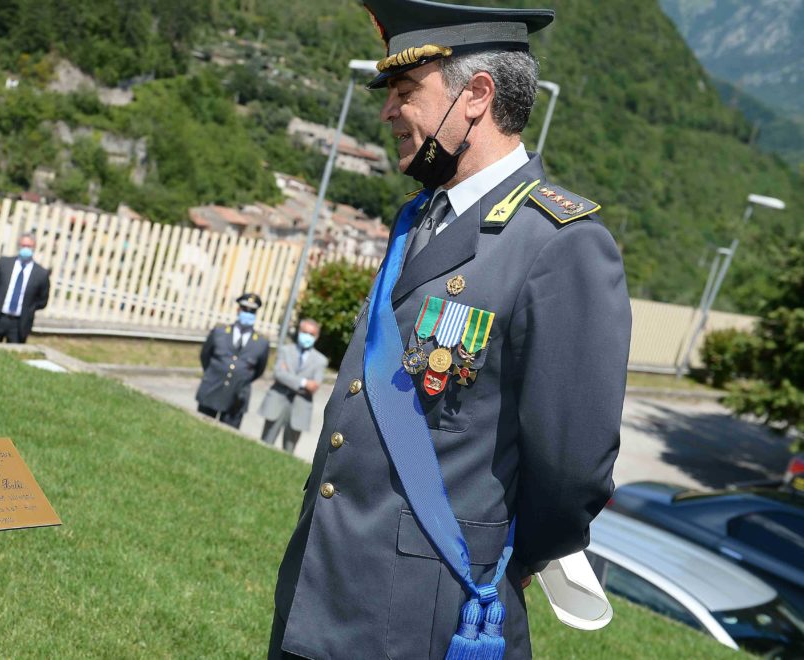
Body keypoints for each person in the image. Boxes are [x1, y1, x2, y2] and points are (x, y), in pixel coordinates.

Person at [268, 2, 631, 659]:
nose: (388, 111)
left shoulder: (559, 244)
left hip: (423, 616)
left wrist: (502, 553)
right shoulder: (419, 220)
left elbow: (571, 472)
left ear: (477, 96)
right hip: (323, 591)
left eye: (406, 90)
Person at [196, 293, 271, 429]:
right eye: (245, 309)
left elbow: (259, 370)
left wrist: (240, 377)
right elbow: (205, 356)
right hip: (211, 390)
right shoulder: (219, 332)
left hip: (237, 399)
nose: (247, 314)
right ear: (238, 310)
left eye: (252, 311)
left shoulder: (261, 342)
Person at [258, 319, 328, 455]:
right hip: (277, 402)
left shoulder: (320, 360)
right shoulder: (285, 350)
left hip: (300, 407)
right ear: (299, 332)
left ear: (317, 337)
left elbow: (314, 386)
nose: (307, 336)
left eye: (311, 334)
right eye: (304, 332)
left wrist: (288, 377)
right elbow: (278, 374)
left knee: (289, 450)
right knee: (265, 443)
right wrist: (304, 383)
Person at [0, 233, 51, 343]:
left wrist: (28, 308)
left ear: (34, 247)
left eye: (29, 246)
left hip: (19, 324)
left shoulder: (41, 274)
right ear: (18, 246)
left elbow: (42, 301)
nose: (26, 249)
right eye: (23, 245)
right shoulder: (4, 264)